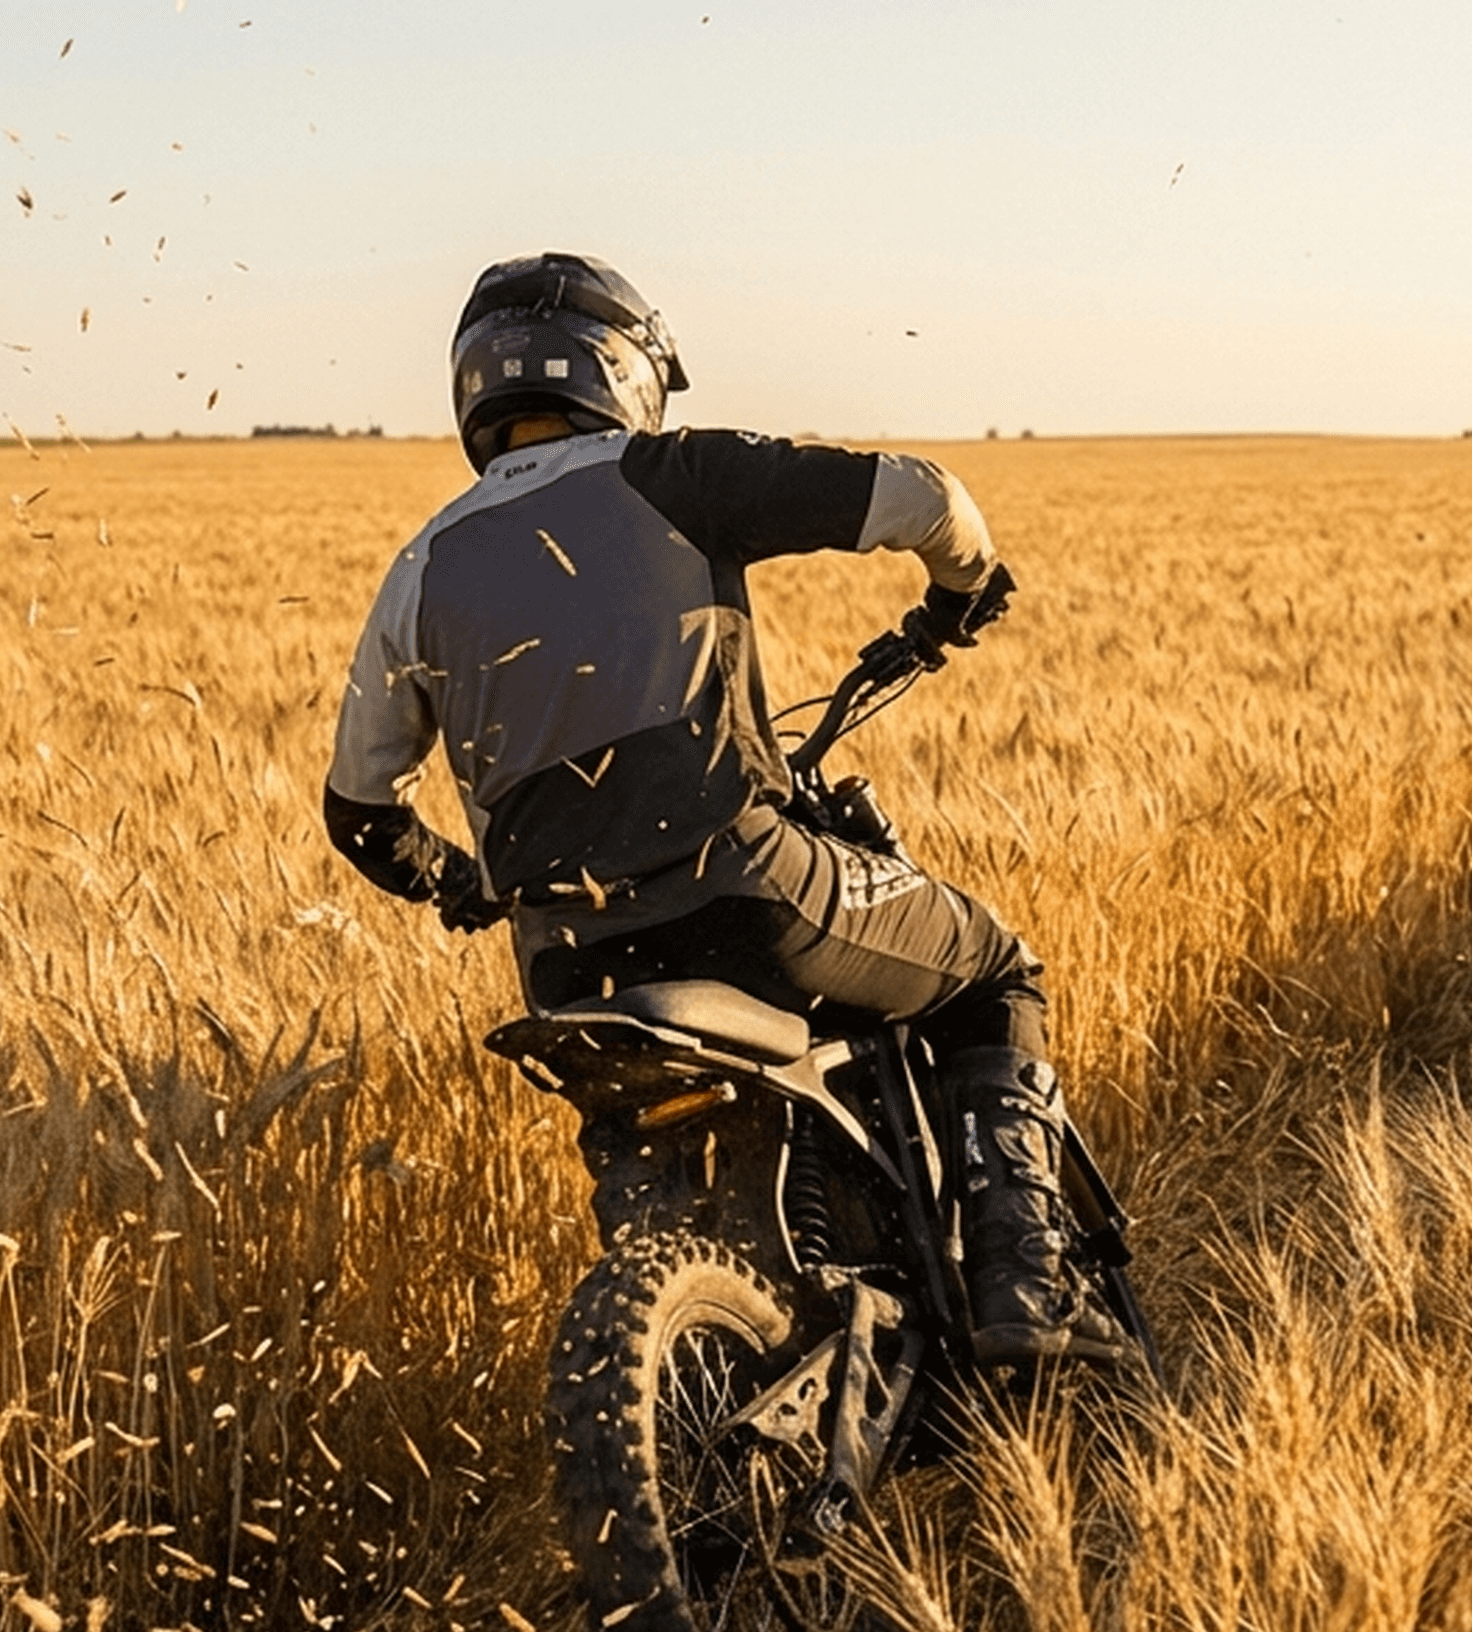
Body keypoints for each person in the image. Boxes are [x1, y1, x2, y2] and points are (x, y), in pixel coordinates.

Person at [319, 252, 1132, 1369]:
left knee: (650, 1187)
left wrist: (461, 884)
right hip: (744, 892)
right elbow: (926, 500)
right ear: (621, 366)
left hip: (566, 963)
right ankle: (1023, 1280)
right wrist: (964, 589)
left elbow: (361, 810)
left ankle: (709, 1375)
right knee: (993, 971)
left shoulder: (420, 568)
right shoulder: (672, 473)